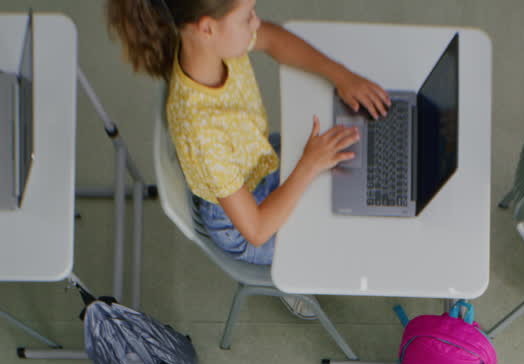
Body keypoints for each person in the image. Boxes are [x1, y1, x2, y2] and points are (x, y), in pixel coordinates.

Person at [107, 0, 389, 314]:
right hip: (244, 220)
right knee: (350, 228)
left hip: (260, 160)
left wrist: (342, 76)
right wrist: (309, 165)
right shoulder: (201, 129)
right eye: (247, 17)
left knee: (355, 170)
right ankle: (294, 276)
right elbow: (256, 230)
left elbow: (275, 38)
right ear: (207, 27)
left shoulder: (215, 47)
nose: (256, 23)